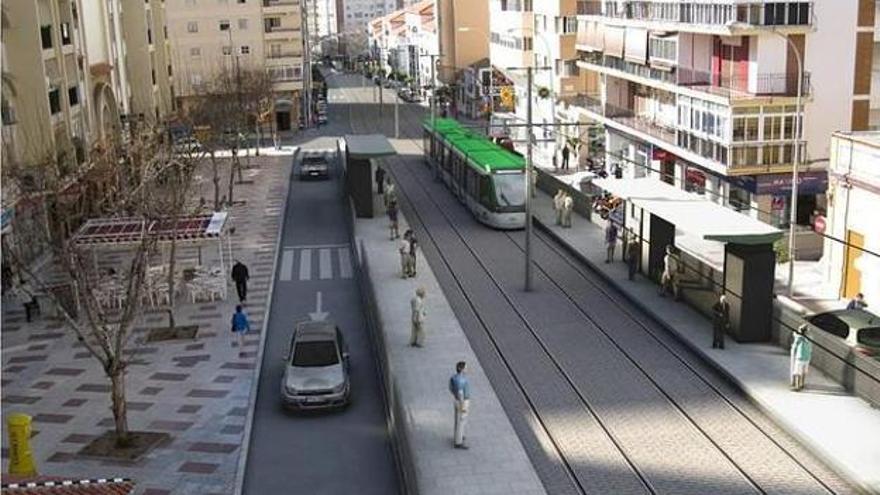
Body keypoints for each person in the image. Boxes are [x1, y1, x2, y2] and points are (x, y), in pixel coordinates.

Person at [449, 361, 470, 449]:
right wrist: (463, 406)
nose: (467, 369)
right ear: (461, 369)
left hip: (456, 400)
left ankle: (457, 436)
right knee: (461, 421)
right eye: (465, 367)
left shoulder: (454, 377)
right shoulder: (461, 380)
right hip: (462, 401)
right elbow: (461, 393)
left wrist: (455, 395)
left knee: (457, 420)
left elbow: (450, 388)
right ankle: (458, 442)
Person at [790, 325, 813, 391]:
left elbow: (796, 343)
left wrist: (795, 335)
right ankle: (801, 384)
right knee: (803, 371)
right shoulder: (809, 337)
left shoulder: (800, 338)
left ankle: (798, 386)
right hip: (807, 356)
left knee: (798, 372)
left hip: (800, 357)